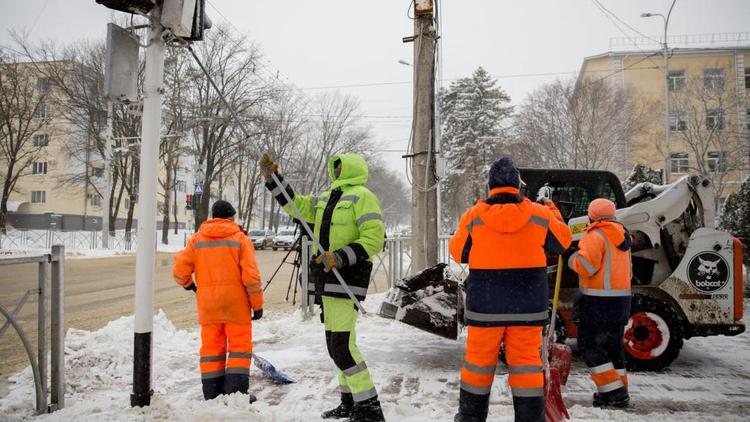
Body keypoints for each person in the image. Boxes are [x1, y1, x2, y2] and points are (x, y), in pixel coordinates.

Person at [259, 153, 386, 422]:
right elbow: (297, 206)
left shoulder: (363, 196)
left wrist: (339, 256)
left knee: (341, 347)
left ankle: (369, 409)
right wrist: (274, 180)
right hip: (327, 278)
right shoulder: (327, 197)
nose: (337, 170)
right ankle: (349, 401)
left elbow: (374, 239)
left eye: (341, 167)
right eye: (334, 167)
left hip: (347, 278)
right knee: (337, 345)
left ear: (352, 168)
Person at [449, 157, 572, 422]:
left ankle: (471, 417)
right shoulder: (539, 215)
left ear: (490, 186)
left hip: (485, 308)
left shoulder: (474, 216)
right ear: (518, 186)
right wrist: (552, 210)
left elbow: (458, 252)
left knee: (478, 366)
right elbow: (562, 243)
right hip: (527, 308)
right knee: (527, 367)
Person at [172, 200, 264, 402]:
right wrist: (257, 305)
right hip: (236, 305)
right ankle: (236, 393)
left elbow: (179, 271)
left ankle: (211, 392)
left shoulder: (197, 240)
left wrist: (190, 285)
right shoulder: (240, 239)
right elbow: (251, 277)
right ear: (231, 217)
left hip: (208, 306)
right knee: (239, 347)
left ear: (213, 216)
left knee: (212, 348)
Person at [567, 198, 632, 408]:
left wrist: (570, 256)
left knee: (589, 345)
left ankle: (613, 393)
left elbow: (586, 266)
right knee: (613, 347)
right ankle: (618, 389)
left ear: (591, 215)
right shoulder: (622, 235)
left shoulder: (595, 235)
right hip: (620, 301)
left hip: (597, 301)